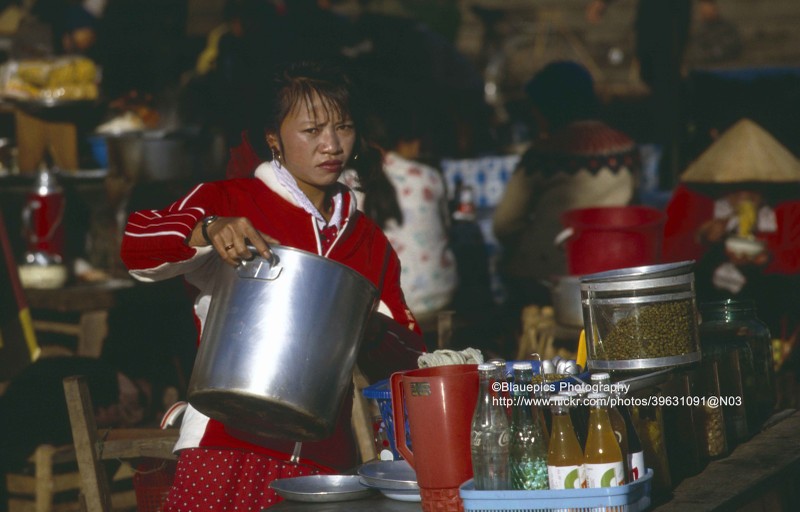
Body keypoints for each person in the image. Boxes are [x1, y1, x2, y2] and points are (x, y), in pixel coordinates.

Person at [120, 60, 425, 511]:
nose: (331, 144)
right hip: (224, 448)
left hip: (322, 461)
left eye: (343, 128)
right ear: (273, 138)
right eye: (312, 130)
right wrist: (207, 230)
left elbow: (407, 357)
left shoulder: (369, 242)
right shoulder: (230, 202)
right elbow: (136, 245)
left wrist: (370, 332)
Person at [492, 61, 639, 310]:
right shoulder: (627, 148)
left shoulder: (542, 155)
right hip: (612, 268)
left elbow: (504, 225)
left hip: (548, 279)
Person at [340, 94, 458, 327]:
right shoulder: (428, 177)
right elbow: (446, 228)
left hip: (390, 308)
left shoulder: (346, 185)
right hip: (441, 295)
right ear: (400, 140)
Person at [586, 0, 719, 187]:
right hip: (652, 14)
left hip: (672, 16)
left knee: (666, 75)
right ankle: (670, 136)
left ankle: (673, 146)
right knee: (651, 71)